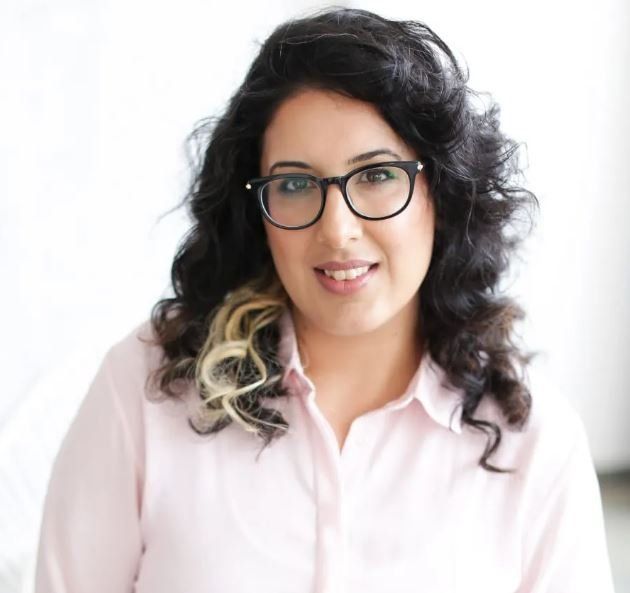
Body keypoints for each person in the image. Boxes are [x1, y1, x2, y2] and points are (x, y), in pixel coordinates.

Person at [34, 7, 616, 593]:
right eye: (293, 184)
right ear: (257, 213)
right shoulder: (143, 391)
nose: (337, 231)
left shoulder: (533, 442)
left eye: (377, 175)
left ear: (440, 192)